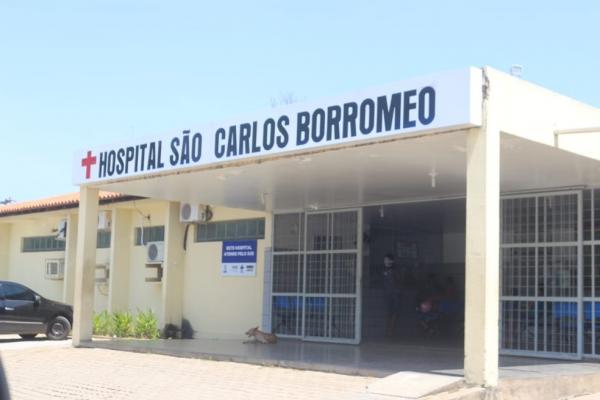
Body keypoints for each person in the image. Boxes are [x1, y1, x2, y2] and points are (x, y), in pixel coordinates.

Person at [382, 254, 402, 337]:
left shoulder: (396, 270)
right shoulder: (383, 270)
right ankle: (389, 329)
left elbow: (399, 281)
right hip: (387, 294)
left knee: (395, 312)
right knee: (388, 312)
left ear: (392, 261)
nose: (385, 261)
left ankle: (391, 330)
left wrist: (397, 291)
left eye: (387, 260)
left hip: (395, 294)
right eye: (385, 260)